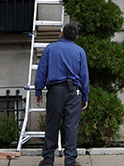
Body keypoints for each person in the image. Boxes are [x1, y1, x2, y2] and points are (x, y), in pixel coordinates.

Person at [35, 22, 89, 166]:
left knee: (52, 124)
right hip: (74, 92)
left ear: (62, 34)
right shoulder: (80, 52)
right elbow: (84, 75)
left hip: (55, 90)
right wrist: (85, 96)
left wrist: (38, 90)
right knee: (71, 126)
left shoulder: (50, 48)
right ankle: (70, 160)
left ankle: (48, 159)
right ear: (76, 37)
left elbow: (42, 70)